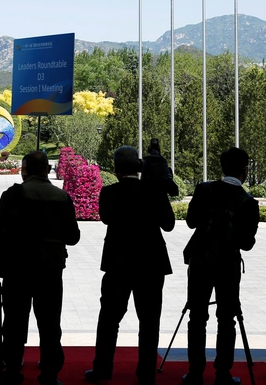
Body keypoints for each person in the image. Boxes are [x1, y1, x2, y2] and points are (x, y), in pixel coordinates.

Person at [0, 151, 80, 385]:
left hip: (17, 268)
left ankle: (13, 368)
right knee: (49, 322)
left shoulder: (14, 194)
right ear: (47, 170)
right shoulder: (61, 197)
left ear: (25, 170)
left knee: (15, 321)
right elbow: (73, 237)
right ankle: (49, 372)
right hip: (50, 269)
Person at [85, 145, 175, 385]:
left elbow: (105, 218)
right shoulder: (154, 191)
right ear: (139, 166)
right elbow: (168, 224)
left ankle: (102, 368)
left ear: (115, 168)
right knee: (149, 321)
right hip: (151, 263)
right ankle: (146, 372)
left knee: (109, 319)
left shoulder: (109, 192)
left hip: (118, 263)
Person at [182, 147, 259, 385]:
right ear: (245, 171)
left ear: (222, 167)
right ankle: (223, 373)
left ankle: (195, 372)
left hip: (200, 261)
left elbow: (191, 221)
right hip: (228, 265)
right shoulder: (248, 202)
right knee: (227, 318)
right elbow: (247, 244)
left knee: (197, 317)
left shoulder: (204, 190)